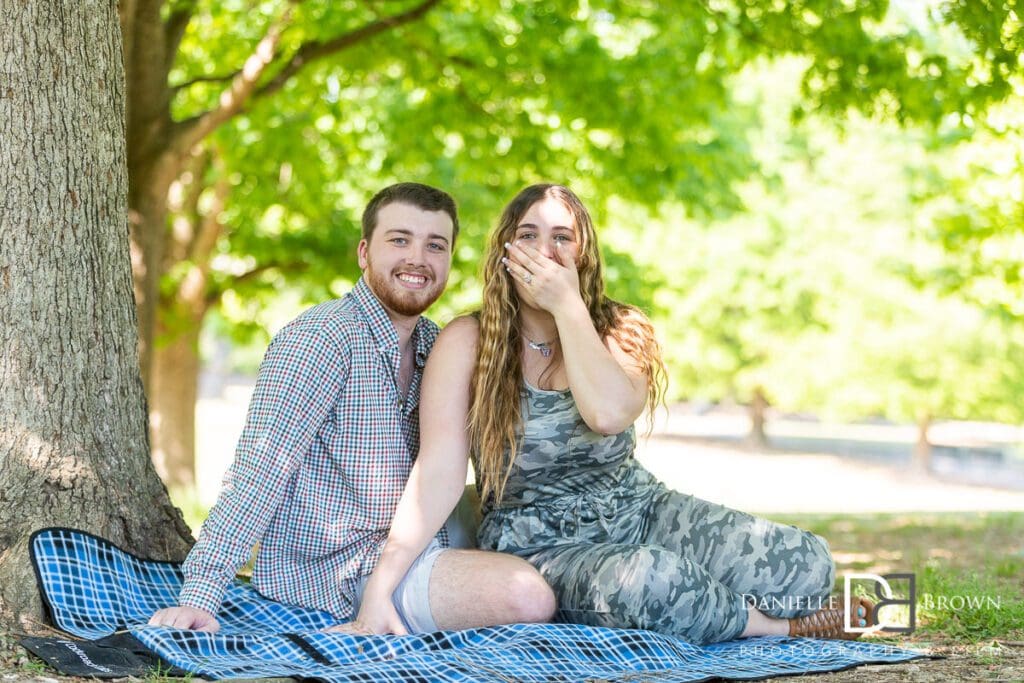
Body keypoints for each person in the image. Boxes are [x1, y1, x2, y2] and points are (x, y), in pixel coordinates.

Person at [350, 183, 873, 644]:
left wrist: (568, 308)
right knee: (651, 581)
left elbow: (607, 412)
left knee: (806, 564)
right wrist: (383, 584)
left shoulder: (619, 329)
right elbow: (437, 473)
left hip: (639, 508)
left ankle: (712, 607)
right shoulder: (467, 342)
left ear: (584, 254)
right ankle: (778, 628)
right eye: (529, 235)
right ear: (506, 250)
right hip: (540, 542)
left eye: (562, 237)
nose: (546, 250)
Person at [149, 182, 556, 635]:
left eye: (435, 245)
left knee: (537, 526)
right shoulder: (322, 339)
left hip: (414, 537)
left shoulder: (436, 343)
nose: (417, 259)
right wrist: (201, 594)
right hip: (339, 570)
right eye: (399, 240)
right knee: (525, 593)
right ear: (364, 252)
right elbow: (260, 470)